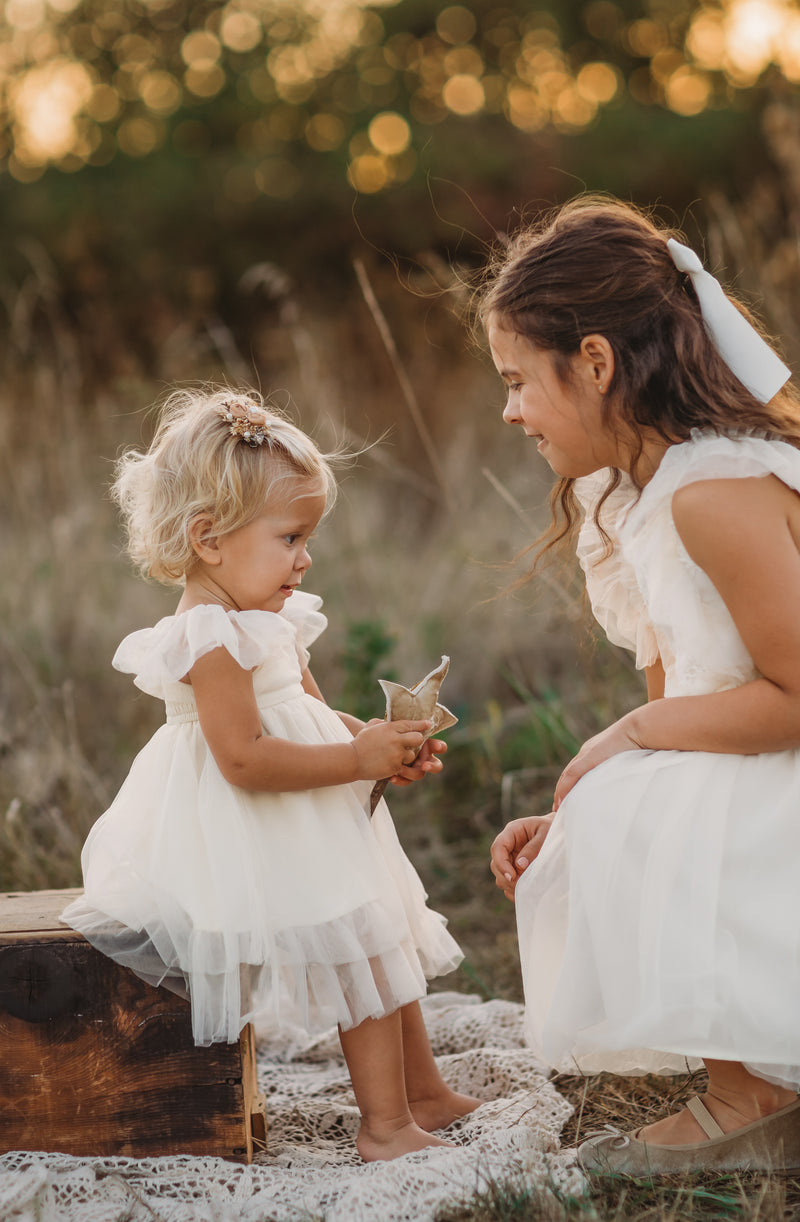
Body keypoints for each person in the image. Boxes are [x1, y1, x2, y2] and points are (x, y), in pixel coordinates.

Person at [62, 388, 478, 1162]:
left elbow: (311, 712)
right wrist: (354, 761)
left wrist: (378, 740)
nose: (305, 556)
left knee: (381, 936)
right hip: (254, 822)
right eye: (290, 537)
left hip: (314, 802)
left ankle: (422, 1091)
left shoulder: (270, 616)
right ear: (209, 539)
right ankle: (384, 1127)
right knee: (362, 948)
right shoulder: (208, 636)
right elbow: (245, 757)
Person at [483, 198, 800, 1175]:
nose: (508, 412)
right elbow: (681, 700)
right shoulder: (630, 496)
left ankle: (751, 1095)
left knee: (623, 783)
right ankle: (752, 1066)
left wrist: (621, 743)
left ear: (593, 361)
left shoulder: (714, 491)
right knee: (614, 799)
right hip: (756, 761)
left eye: (515, 382)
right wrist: (577, 816)